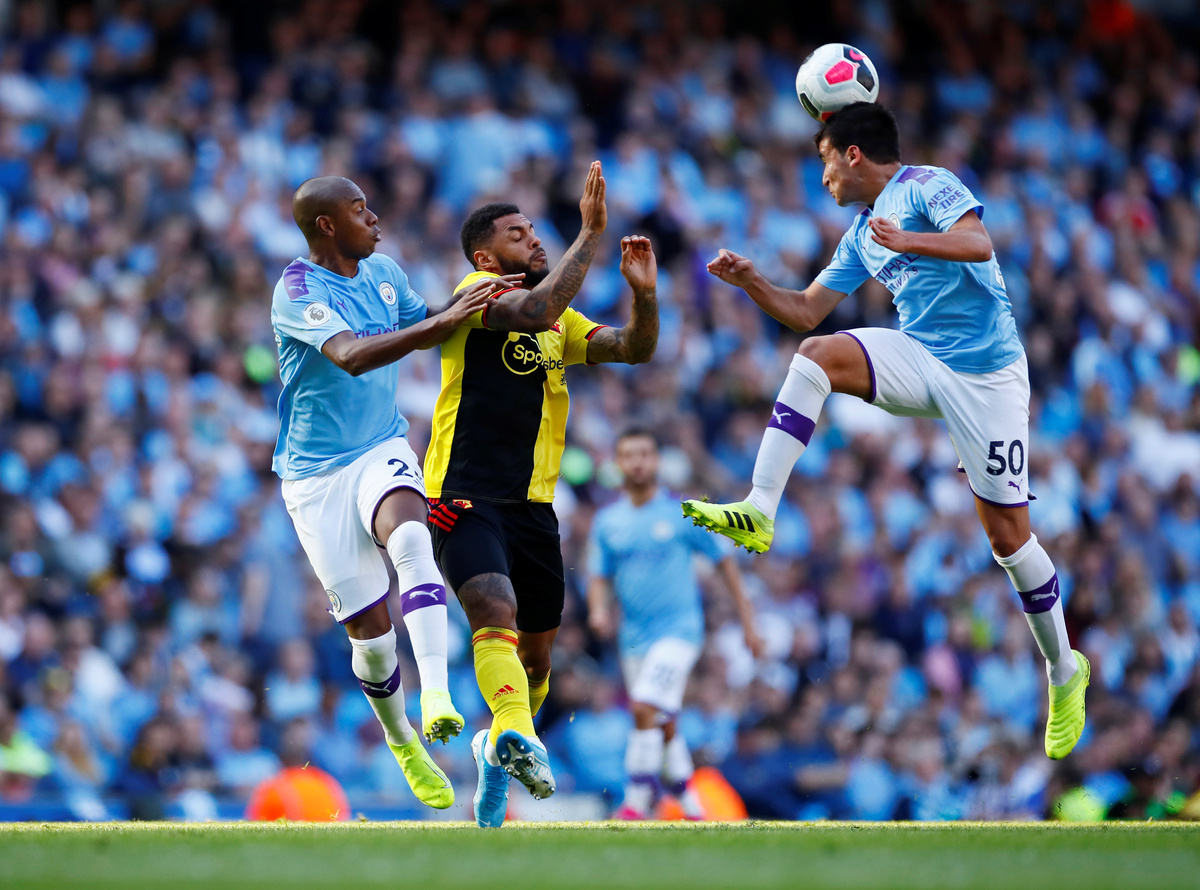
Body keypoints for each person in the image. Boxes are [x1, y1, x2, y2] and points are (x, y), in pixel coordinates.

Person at [681, 103, 1089, 760]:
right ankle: (759, 507)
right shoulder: (859, 234)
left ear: (852, 154)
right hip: (921, 356)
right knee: (815, 354)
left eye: (824, 162)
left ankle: (1064, 670)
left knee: (1009, 542)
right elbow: (806, 310)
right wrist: (753, 281)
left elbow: (979, 243)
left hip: (987, 378)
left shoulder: (927, 185)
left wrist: (909, 241)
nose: (822, 180)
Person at [423, 161, 660, 827]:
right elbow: (538, 307)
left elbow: (634, 348)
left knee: (536, 659)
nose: (532, 238)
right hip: (462, 492)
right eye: (516, 233)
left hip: (533, 507)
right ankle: (518, 735)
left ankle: (496, 749)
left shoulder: (561, 323)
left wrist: (644, 295)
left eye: (533, 229)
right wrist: (590, 234)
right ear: (484, 255)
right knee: (492, 608)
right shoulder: (477, 294)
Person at [271, 175, 518, 809]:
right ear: (327, 225)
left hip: (381, 443)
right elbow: (352, 355)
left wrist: (482, 303)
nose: (374, 217)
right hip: (315, 476)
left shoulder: (384, 272)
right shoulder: (297, 290)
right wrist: (445, 321)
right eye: (360, 210)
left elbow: (433, 323)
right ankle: (402, 737)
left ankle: (436, 693)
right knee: (374, 642)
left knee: (411, 536)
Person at [586, 428, 763, 820]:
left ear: (656, 461)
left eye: (645, 454)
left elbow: (725, 562)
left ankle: (637, 799)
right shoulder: (608, 522)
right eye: (629, 455)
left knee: (644, 705)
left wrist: (748, 622)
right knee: (661, 717)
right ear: (618, 463)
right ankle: (687, 799)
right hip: (634, 638)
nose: (637, 462)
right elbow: (599, 576)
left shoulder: (683, 513)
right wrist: (598, 610)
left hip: (680, 631)